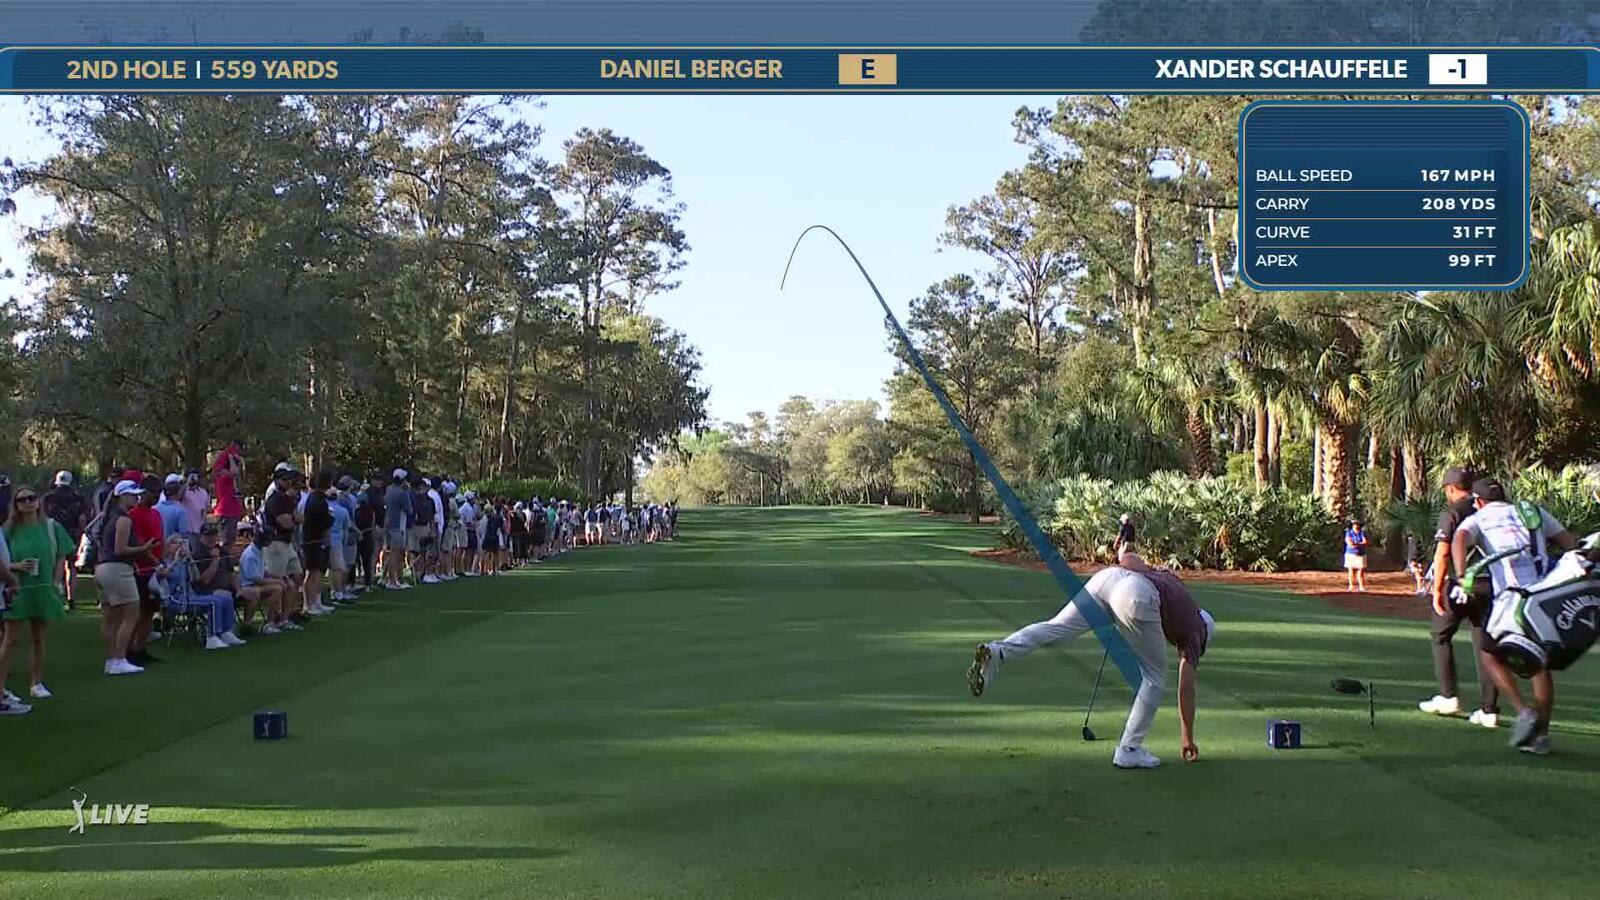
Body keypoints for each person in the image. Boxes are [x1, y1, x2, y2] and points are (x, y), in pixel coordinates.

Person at [967, 553, 1215, 769]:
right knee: (1155, 678)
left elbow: (1126, 559)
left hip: (1109, 578)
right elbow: (1186, 689)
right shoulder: (1197, 632)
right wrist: (1187, 737)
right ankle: (1129, 750)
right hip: (1136, 596)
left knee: (1056, 627)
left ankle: (998, 652)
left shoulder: (1172, 580)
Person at [1451, 477, 1578, 755]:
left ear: (1479, 501)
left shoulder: (1479, 517)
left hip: (1511, 600)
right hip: (1544, 598)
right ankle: (1541, 736)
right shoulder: (1531, 510)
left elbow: (1459, 538)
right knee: (1539, 665)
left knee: (1489, 655)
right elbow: (1570, 544)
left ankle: (1524, 712)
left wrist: (1462, 577)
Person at [1418, 467, 1499, 727]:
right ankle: (1489, 711)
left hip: (1462, 584)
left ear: (1450, 488)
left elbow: (1443, 554)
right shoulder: (1486, 509)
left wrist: (1436, 589)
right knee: (1484, 645)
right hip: (1491, 584)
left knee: (1440, 635)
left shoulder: (1452, 513)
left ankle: (1448, 697)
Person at [0, 486, 73, 703]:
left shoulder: (51, 527)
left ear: (39, 502)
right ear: (16, 505)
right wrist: (16, 566)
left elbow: (62, 555)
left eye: (32, 498)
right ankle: (1, 688)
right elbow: (1, 562)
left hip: (43, 587)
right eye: (22, 500)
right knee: (10, 639)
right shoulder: (8, 531)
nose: (28, 503)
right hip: (17, 589)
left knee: (39, 637)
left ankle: (37, 682)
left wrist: (56, 581)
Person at [93, 479, 153, 676]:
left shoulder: (109, 517)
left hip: (102, 569)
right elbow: (120, 549)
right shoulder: (123, 519)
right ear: (122, 496)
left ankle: (111, 660)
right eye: (133, 494)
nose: (137, 498)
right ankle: (119, 658)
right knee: (131, 615)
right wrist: (143, 549)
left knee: (111, 618)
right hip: (117, 569)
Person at [127, 473, 167, 667]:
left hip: (156, 568)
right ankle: (128, 649)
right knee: (137, 611)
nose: (157, 496)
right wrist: (154, 561)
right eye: (153, 493)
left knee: (150, 611)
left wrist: (163, 560)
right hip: (141, 569)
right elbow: (140, 544)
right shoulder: (134, 514)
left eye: (159, 493)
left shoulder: (156, 514)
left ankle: (140, 647)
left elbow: (161, 540)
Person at [260, 467, 307, 620]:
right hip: (275, 543)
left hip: (287, 543)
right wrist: (293, 519)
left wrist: (293, 519)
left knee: (298, 576)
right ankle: (270, 620)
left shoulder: (289, 499)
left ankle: (286, 617)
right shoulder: (274, 499)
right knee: (278, 582)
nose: (287, 482)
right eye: (284, 479)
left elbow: (300, 518)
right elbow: (286, 522)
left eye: (289, 480)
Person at [43, 470, 87, 610]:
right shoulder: (77, 498)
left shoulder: (48, 498)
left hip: (52, 533)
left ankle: (54, 597)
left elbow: (42, 517)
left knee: (55, 566)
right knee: (71, 567)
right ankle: (71, 599)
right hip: (72, 534)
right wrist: (81, 534)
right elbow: (82, 519)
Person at [239, 529, 294, 633]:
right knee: (278, 588)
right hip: (249, 586)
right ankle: (269, 623)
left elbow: (264, 571)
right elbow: (255, 579)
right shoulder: (250, 555)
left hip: (258, 583)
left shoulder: (259, 551)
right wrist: (276, 582)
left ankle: (284, 619)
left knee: (289, 584)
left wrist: (279, 577)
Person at [301, 470, 335, 614]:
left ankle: (316, 601)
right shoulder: (317, 500)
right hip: (314, 540)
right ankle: (309, 604)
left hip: (314, 539)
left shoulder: (317, 498)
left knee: (318, 572)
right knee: (312, 572)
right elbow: (324, 521)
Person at [211, 442, 245, 547]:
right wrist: (231, 456)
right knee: (224, 542)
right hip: (225, 512)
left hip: (232, 512)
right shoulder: (223, 476)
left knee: (230, 541)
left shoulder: (232, 481)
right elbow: (234, 471)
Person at [383, 469, 411, 590]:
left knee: (391, 552)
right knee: (396, 553)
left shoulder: (388, 489)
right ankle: (392, 580)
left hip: (387, 523)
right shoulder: (402, 492)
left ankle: (389, 578)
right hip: (398, 525)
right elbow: (409, 509)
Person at [155, 474, 187, 540]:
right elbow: (183, 533)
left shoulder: (155, 508)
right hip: (173, 546)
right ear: (178, 492)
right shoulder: (180, 510)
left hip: (157, 545)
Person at [181, 470, 209, 539]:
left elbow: (205, 508)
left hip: (200, 528)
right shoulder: (184, 492)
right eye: (191, 477)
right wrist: (187, 483)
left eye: (195, 476)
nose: (193, 479)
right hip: (188, 528)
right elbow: (179, 497)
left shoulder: (203, 492)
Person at [1343, 518, 1369, 592]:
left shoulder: (1362, 533)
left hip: (1361, 554)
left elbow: (1365, 542)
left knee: (1360, 570)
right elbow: (1349, 542)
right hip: (1350, 554)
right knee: (1351, 570)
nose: (1356, 526)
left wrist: (1356, 544)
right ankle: (1351, 586)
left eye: (1357, 525)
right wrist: (1359, 544)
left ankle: (1361, 586)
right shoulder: (1349, 533)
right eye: (1354, 525)